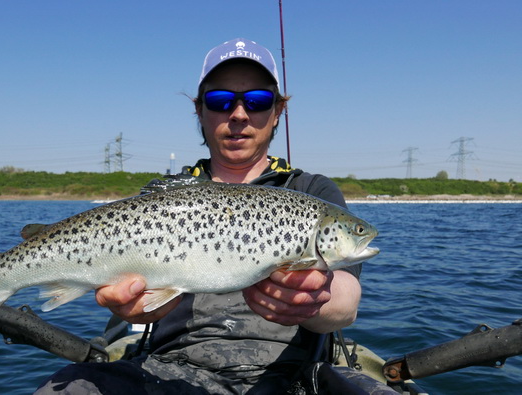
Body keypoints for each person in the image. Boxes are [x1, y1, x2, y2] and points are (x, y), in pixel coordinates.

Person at [35, 38, 363, 394]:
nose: (238, 114)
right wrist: (129, 307)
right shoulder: (163, 196)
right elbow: (129, 293)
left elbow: (346, 301)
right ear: (199, 111)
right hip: (172, 373)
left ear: (278, 111)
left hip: (296, 376)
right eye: (220, 101)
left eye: (257, 101)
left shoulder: (313, 193)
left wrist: (316, 301)